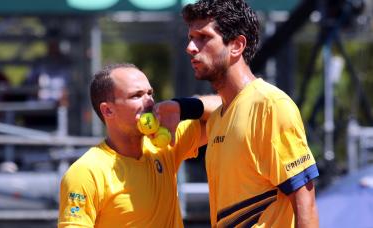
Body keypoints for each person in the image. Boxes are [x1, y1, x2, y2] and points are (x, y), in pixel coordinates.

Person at [172, 0, 320, 227]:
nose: (191, 47)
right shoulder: (218, 118)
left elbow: (305, 201)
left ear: (237, 45)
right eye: (191, 37)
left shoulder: (270, 105)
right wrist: (181, 107)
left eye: (203, 37)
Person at [57, 63, 219, 227]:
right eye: (136, 95)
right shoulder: (86, 172)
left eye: (150, 93)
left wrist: (182, 106)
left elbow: (226, 108)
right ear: (108, 111)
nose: (149, 101)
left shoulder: (165, 144)